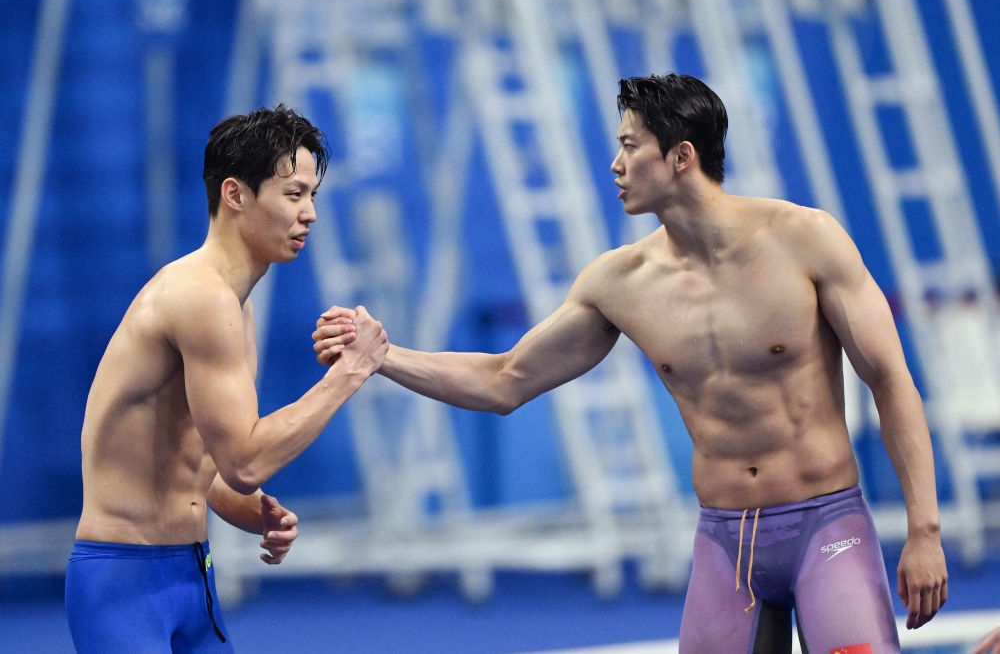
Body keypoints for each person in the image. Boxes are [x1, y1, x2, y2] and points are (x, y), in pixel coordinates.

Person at [313, 74, 948, 652]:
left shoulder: (806, 239)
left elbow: (891, 382)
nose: (615, 165)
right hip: (725, 542)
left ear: (681, 157)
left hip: (826, 526)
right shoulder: (621, 282)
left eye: (629, 146)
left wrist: (924, 530)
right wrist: (383, 356)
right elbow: (504, 381)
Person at [66, 105, 388, 653]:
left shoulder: (237, 306)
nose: (310, 213)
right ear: (235, 194)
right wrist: (353, 370)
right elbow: (246, 462)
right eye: (293, 194)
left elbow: (214, 468)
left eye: (312, 195)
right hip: (124, 584)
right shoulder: (199, 297)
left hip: (193, 575)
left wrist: (256, 512)